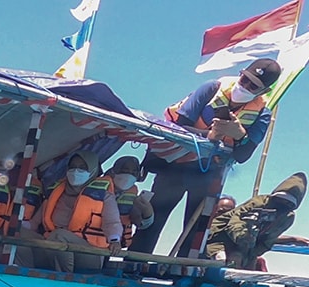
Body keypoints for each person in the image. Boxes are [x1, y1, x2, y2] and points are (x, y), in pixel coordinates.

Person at [131, 58, 280, 256]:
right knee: (153, 218)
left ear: (263, 91)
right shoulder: (211, 88)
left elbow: (243, 155)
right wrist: (209, 135)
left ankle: (181, 270)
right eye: (244, 79)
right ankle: (133, 264)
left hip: (209, 175)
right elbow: (178, 125)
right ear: (241, 73)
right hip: (175, 166)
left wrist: (240, 136)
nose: (245, 86)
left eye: (253, 86)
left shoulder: (262, 114)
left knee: (196, 230)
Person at [21, 150, 122, 272]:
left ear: (93, 170)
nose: (76, 171)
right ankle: (22, 274)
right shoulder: (55, 193)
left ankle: (63, 277)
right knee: (18, 233)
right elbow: (34, 223)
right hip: (53, 247)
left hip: (89, 253)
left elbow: (112, 221)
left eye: (82, 168)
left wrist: (114, 240)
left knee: (59, 235)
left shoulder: (104, 196)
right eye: (72, 167)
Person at [206, 172, 305, 271]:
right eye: (280, 199)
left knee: (251, 262)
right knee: (225, 259)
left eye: (287, 202)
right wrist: (244, 238)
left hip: (247, 246)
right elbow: (235, 223)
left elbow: (269, 240)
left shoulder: (287, 218)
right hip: (219, 237)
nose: (282, 203)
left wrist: (252, 253)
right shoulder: (258, 203)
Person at [105, 155, 154, 249]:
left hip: (114, 246)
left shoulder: (132, 195)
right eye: (125, 170)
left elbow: (139, 222)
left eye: (133, 172)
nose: (129, 175)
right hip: (91, 240)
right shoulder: (99, 188)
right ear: (114, 171)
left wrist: (148, 213)